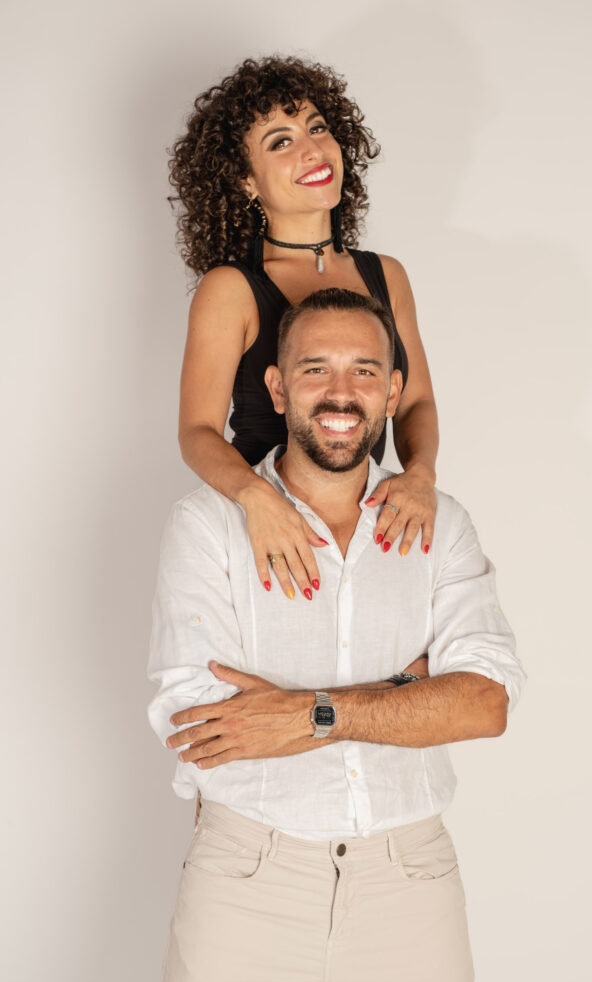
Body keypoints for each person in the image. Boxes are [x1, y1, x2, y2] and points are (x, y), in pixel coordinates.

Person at [148, 288, 525, 982]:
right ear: (277, 386)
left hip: (407, 879)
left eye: (363, 370)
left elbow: (483, 702)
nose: (340, 393)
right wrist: (405, 690)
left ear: (392, 392)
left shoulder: (441, 526)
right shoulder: (207, 526)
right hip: (247, 879)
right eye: (315, 369)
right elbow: (200, 722)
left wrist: (309, 712)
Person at [169, 55, 440, 602]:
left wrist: (419, 477)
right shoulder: (232, 288)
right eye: (280, 141)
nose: (312, 149)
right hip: (264, 530)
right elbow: (196, 433)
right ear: (246, 181)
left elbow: (413, 404)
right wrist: (258, 500)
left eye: (317, 128)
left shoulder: (386, 275)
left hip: (363, 520)